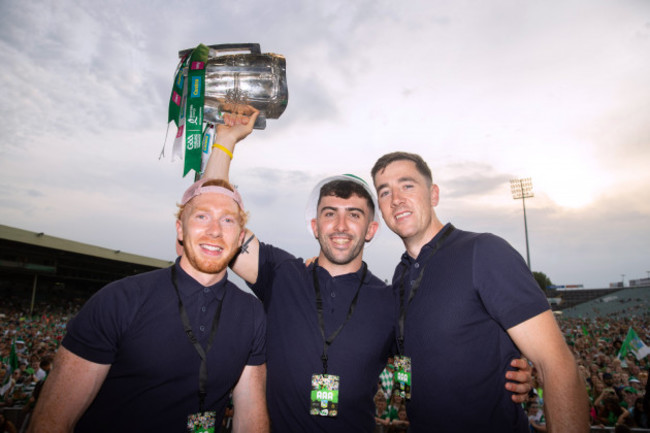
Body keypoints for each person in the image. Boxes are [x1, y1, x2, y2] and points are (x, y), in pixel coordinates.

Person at [201, 110, 533, 432]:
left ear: (371, 229)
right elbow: (214, 222)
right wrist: (225, 144)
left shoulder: (392, 301)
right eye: (330, 214)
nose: (341, 225)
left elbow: (447, 350)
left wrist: (517, 367)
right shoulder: (281, 273)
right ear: (315, 226)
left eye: (355, 215)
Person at [371, 151, 590, 433]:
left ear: (433, 194)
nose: (396, 198)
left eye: (407, 185)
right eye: (385, 192)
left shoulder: (484, 252)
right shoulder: (401, 275)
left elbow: (557, 365)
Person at [27, 178, 268, 433]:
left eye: (228, 220)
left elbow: (250, 418)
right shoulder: (119, 299)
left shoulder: (252, 313)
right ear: (179, 229)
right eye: (201, 216)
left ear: (240, 237)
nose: (215, 230)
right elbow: (50, 422)